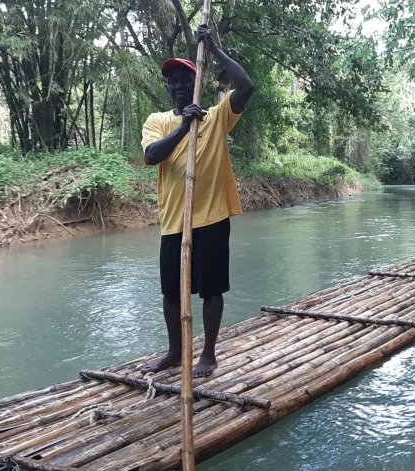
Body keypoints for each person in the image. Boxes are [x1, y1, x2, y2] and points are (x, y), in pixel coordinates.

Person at [140, 24, 254, 377]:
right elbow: (151, 156)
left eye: (183, 79)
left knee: (211, 289)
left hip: (213, 217)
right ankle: (176, 352)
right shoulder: (158, 121)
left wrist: (215, 49)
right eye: (171, 81)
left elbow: (246, 87)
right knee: (172, 293)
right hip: (174, 221)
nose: (177, 85)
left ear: (197, 82)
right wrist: (182, 128)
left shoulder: (216, 118)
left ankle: (208, 354)